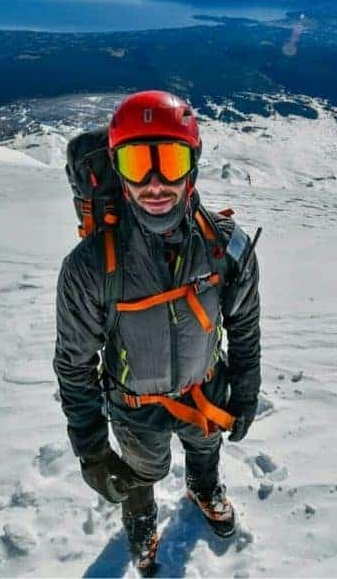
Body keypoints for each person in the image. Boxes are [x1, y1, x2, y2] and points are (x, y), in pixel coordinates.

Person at [54, 90, 261, 576]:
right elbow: (74, 364)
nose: (154, 184)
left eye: (168, 160)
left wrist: (245, 390)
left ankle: (203, 486)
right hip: (135, 409)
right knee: (140, 472)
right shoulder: (89, 268)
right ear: (117, 169)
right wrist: (92, 451)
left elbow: (245, 326)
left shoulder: (225, 249)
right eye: (136, 162)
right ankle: (141, 518)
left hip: (205, 389)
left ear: (192, 165)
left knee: (205, 448)